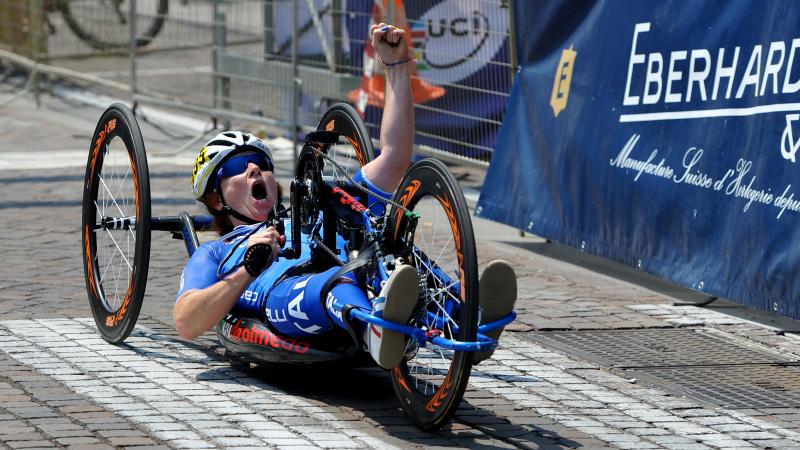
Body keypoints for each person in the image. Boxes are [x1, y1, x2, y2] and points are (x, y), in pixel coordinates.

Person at [173, 24, 517, 369]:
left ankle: (466, 314)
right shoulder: (216, 251)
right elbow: (186, 321)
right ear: (216, 199)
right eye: (237, 165)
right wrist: (247, 267)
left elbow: (395, 158)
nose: (255, 171)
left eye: (262, 163)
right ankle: (375, 327)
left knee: (399, 253)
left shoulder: (313, 210)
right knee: (336, 282)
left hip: (354, 268)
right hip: (284, 291)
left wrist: (397, 67)